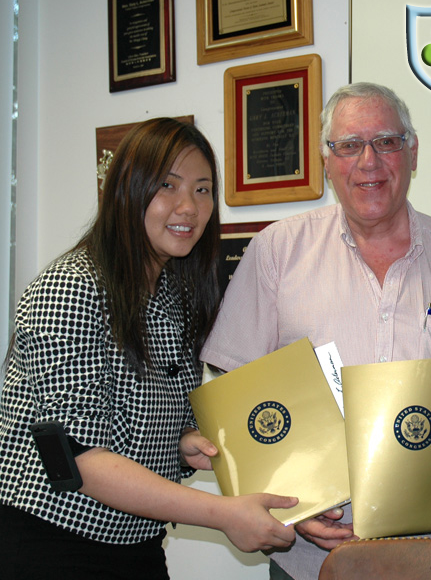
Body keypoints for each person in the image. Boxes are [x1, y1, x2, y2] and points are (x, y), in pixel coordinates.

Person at [200, 82, 431, 580]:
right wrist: (290, 509)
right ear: (327, 160)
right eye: (348, 145)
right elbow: (236, 396)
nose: (368, 161)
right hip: (312, 561)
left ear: (412, 153)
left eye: (386, 142)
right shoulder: (277, 251)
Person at [0, 118, 298, 579]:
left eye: (203, 190)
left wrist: (180, 445)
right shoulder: (70, 287)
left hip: (137, 542)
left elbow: (132, 418)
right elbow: (80, 459)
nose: (189, 207)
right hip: (51, 543)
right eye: (167, 186)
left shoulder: (174, 292)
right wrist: (224, 514)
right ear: (126, 190)